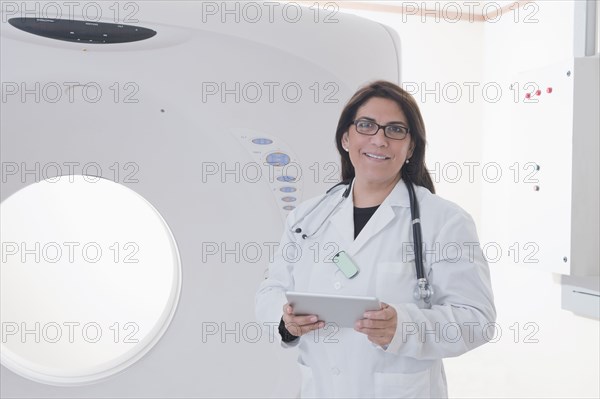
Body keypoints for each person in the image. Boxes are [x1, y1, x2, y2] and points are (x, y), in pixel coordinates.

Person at [255, 80, 496, 398]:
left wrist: (405, 327)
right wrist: (286, 321)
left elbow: (477, 320)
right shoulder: (307, 218)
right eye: (366, 125)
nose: (379, 139)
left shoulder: (444, 221)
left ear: (410, 148)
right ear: (346, 137)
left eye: (395, 130)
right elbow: (271, 291)